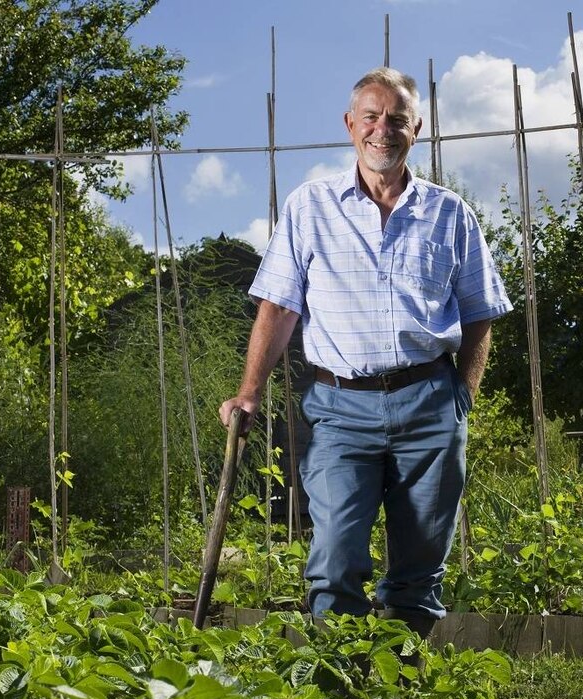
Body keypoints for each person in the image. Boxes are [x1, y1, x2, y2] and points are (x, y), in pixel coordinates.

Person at [219, 67, 512, 641]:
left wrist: (463, 396)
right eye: (372, 117)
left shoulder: (451, 214)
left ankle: (397, 691)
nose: (384, 130)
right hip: (339, 407)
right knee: (333, 561)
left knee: (419, 571)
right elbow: (278, 308)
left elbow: (480, 312)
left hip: (429, 404)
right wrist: (248, 393)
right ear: (350, 125)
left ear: (416, 128)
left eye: (397, 119)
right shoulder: (310, 207)